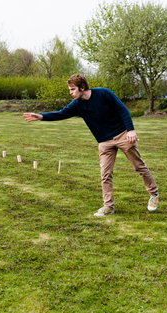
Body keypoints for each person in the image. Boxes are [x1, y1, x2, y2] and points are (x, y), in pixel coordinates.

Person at [23, 73, 159, 216]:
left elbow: (122, 109)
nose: (70, 93)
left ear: (82, 87)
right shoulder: (77, 105)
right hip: (104, 142)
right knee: (105, 175)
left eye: (72, 89)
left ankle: (154, 194)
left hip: (122, 135)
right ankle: (108, 206)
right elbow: (61, 114)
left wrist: (130, 130)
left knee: (139, 167)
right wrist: (42, 116)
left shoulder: (104, 93)